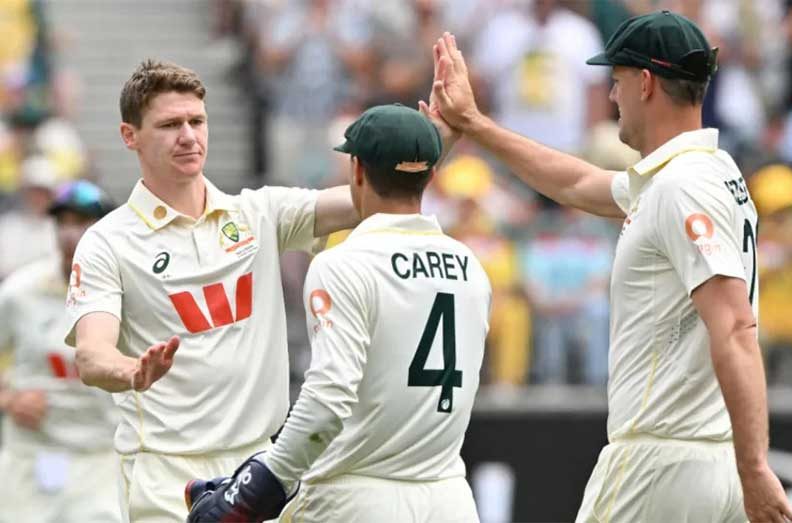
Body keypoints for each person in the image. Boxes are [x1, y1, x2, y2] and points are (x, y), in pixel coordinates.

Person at [429, 11, 792, 523]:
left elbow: (735, 325)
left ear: (645, 83)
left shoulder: (678, 187)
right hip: (711, 461)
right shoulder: (710, 170)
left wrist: (757, 466)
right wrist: (475, 125)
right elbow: (577, 184)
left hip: (657, 463)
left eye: (617, 80)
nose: (610, 96)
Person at [64, 60, 359, 522]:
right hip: (166, 474)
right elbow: (91, 355)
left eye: (196, 121)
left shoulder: (259, 213)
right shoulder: (107, 242)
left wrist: (441, 139)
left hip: (261, 467)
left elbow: (371, 198)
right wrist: (132, 371)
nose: (188, 136)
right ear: (129, 135)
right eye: (169, 124)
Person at [184, 103, 491, 523]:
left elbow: (328, 397)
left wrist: (260, 484)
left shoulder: (344, 263)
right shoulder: (470, 265)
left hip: (355, 498)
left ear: (357, 171)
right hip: (450, 498)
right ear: (432, 176)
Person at [0, 180, 120, 523]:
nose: (70, 233)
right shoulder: (20, 292)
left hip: (102, 455)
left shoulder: (130, 296)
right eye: (62, 222)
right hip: (36, 454)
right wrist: (9, 400)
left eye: (82, 222)